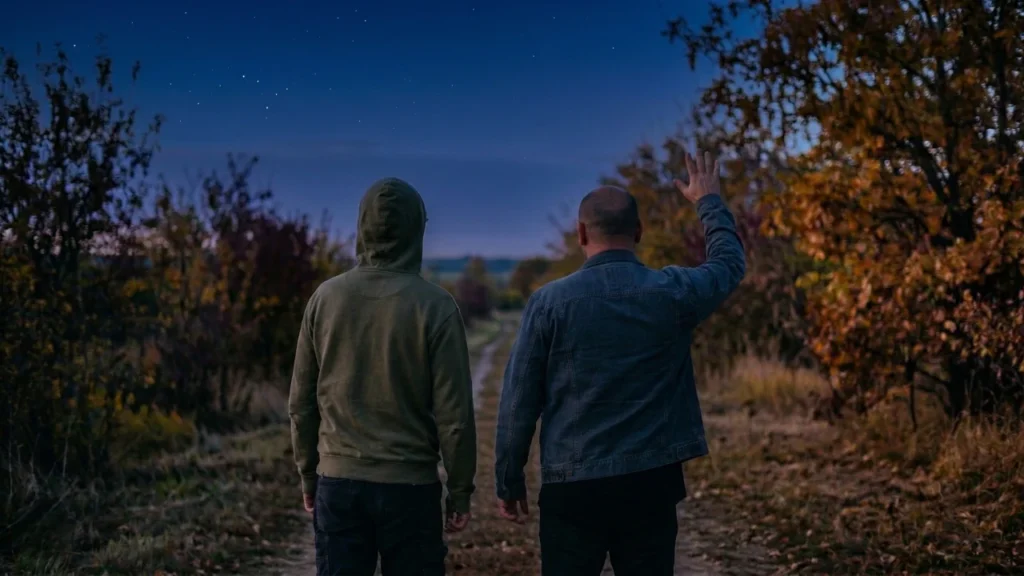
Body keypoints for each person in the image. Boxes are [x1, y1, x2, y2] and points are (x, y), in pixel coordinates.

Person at [494, 150, 746, 575]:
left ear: (580, 233)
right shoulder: (673, 292)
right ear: (640, 230)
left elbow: (520, 400)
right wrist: (708, 201)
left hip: (572, 489)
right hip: (650, 484)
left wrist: (509, 477)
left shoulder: (549, 303)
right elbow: (728, 264)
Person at [289, 177, 477, 576]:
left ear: (362, 227)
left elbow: (301, 404)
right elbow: (455, 417)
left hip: (339, 485)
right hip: (411, 489)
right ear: (416, 230)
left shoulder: (324, 299)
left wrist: (309, 475)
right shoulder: (437, 307)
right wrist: (459, 492)